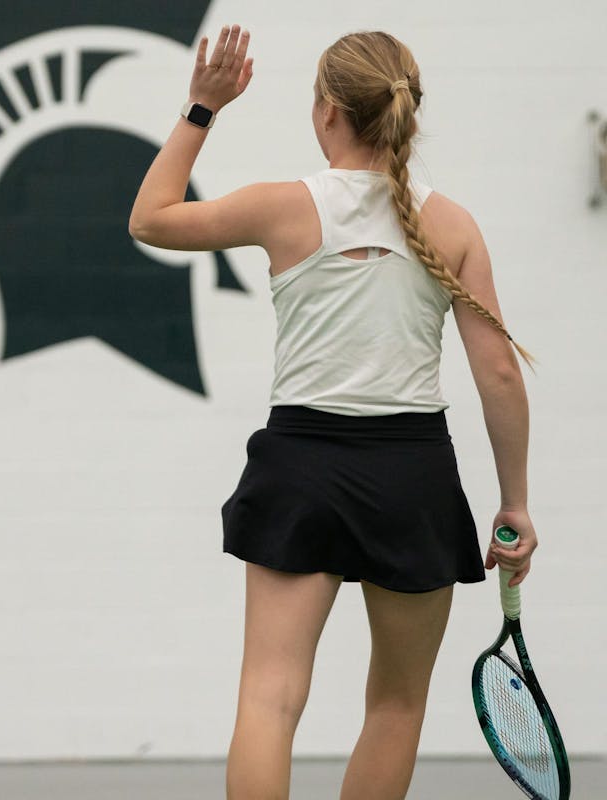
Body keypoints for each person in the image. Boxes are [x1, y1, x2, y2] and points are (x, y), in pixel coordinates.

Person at [130, 26, 535, 800]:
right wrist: (514, 502)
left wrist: (202, 107)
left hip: (302, 466)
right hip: (413, 473)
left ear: (327, 113)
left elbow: (149, 218)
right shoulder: (452, 225)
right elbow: (499, 376)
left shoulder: (282, 207)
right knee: (397, 706)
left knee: (269, 698)